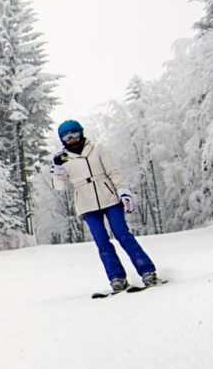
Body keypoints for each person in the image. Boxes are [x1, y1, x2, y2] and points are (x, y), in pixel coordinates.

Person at [50, 118, 159, 294]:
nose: (71, 139)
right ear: (62, 139)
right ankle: (117, 278)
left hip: (109, 197)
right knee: (101, 240)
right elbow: (59, 186)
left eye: (74, 133)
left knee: (122, 234)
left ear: (81, 132)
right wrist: (57, 169)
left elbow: (113, 171)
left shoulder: (97, 148)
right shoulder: (62, 159)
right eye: (66, 137)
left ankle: (147, 271)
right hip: (86, 203)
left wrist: (123, 192)